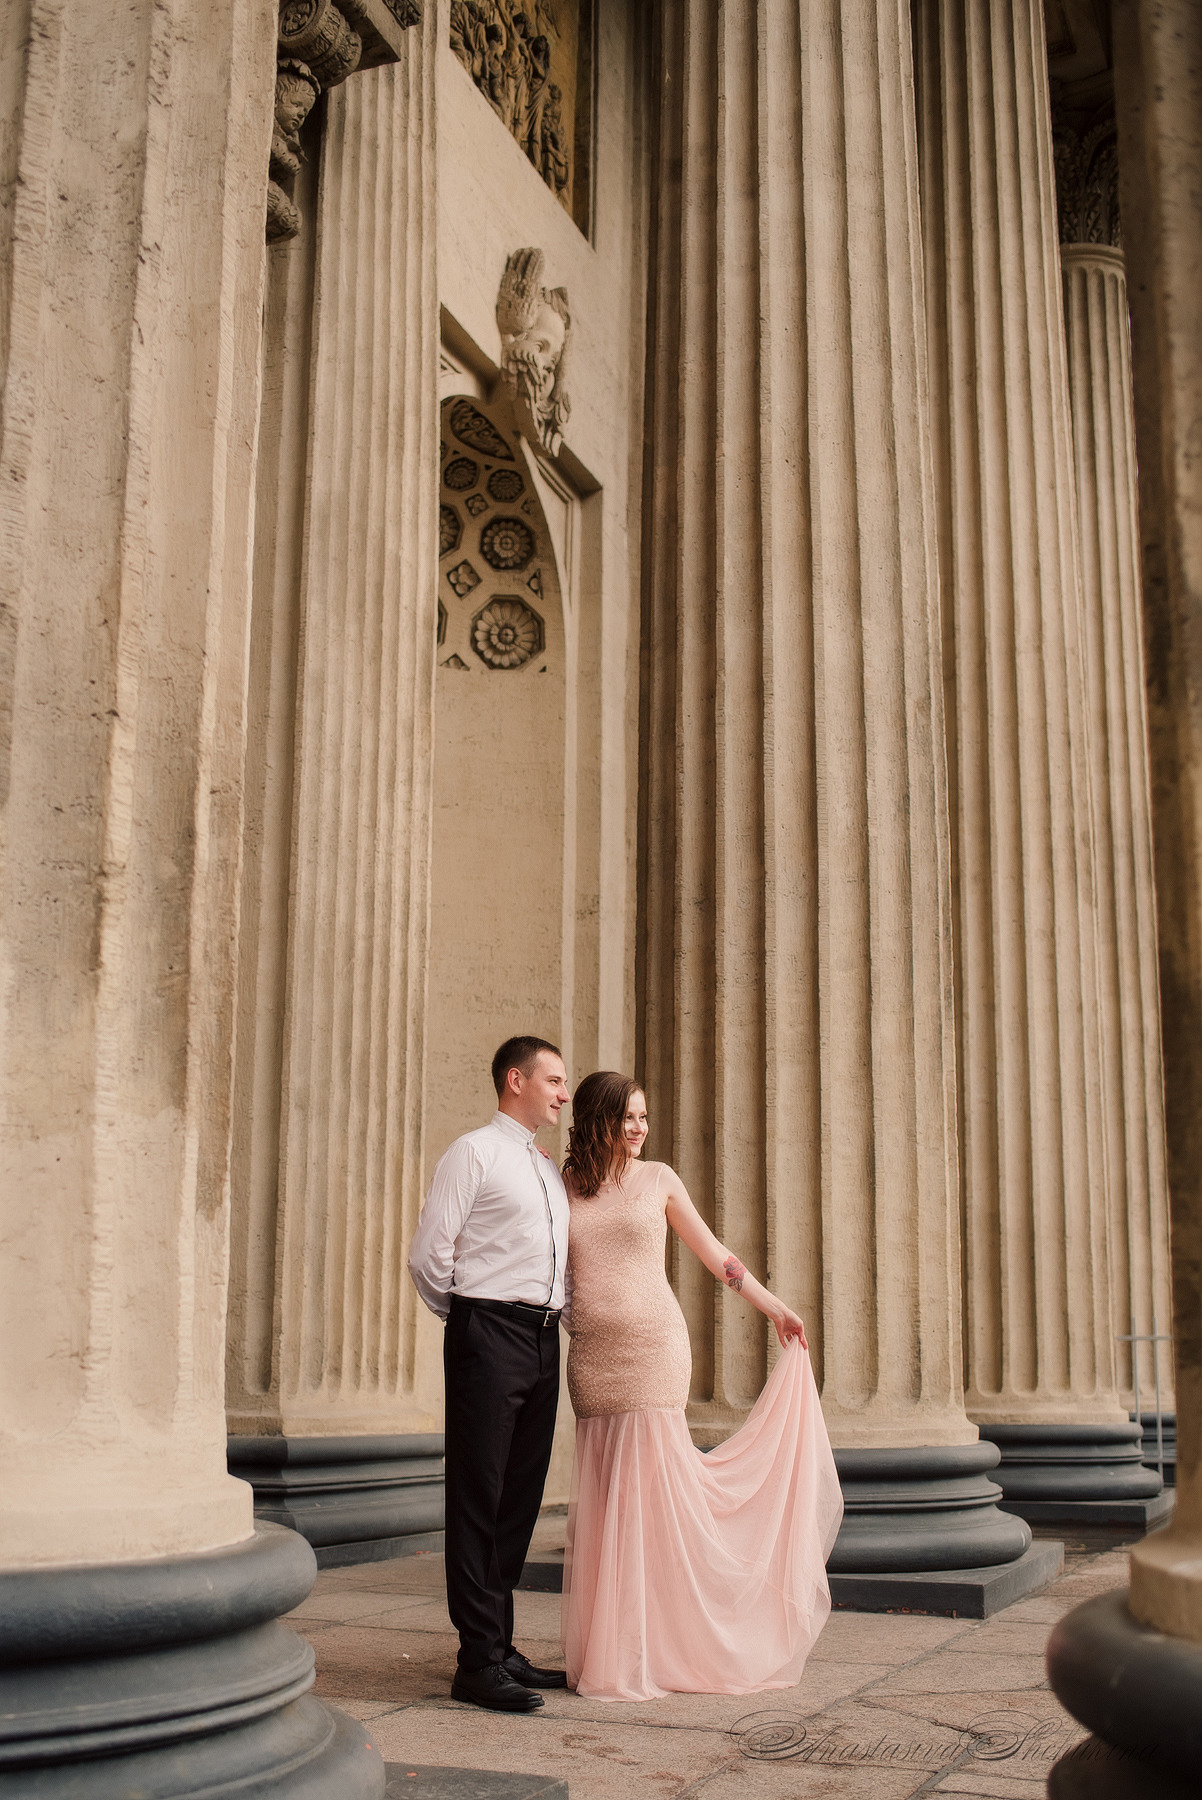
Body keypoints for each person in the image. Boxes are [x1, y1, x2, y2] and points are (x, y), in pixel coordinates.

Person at [560, 1072, 844, 1701]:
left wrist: (774, 1308)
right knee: (609, 1503)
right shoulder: (564, 1187)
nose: (640, 1129)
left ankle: (664, 1650)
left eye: (644, 1117)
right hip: (592, 1360)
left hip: (655, 1351)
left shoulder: (659, 1179)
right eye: (629, 1118)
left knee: (651, 1500)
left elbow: (717, 1256)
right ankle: (620, 1647)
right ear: (598, 1120)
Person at [408, 1036, 571, 1713]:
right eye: (554, 1079)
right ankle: (475, 1662)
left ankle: (499, 1646)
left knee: (519, 1497)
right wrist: (472, 1319)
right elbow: (429, 1255)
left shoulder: (545, 1166)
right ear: (515, 1080)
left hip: (542, 1339)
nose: (564, 1092)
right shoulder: (472, 1151)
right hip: (489, 1331)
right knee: (479, 1495)